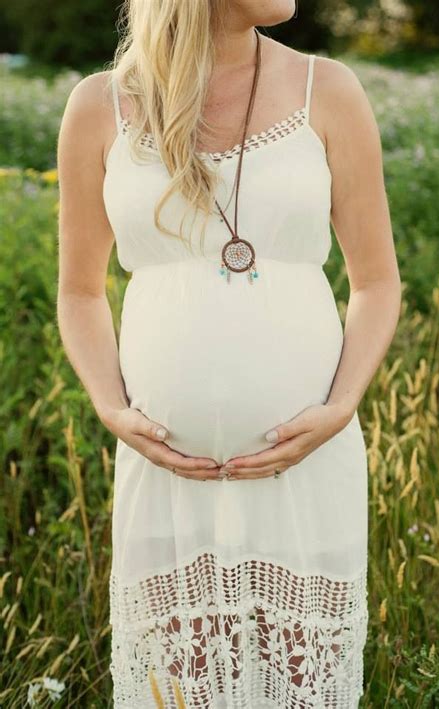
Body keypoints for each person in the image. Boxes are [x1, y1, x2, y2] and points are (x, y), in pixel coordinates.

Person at [57, 1, 401, 706]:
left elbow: (377, 281)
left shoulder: (327, 90)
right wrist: (111, 405)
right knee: (178, 692)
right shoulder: (98, 106)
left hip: (304, 469)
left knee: (304, 688)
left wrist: (340, 407)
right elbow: (80, 292)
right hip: (168, 473)